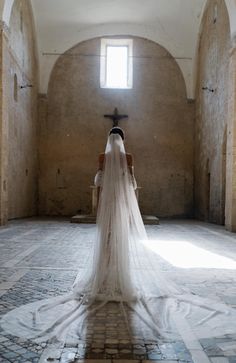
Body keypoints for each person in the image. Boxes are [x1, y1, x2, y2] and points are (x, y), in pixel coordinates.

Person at [1, 127, 236, 345]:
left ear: (109, 138)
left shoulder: (102, 158)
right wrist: (125, 193)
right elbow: (132, 183)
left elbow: (99, 181)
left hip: (107, 204)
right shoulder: (129, 157)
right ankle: (121, 279)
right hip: (122, 204)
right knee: (122, 238)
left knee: (107, 239)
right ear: (123, 139)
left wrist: (104, 199)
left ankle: (103, 278)